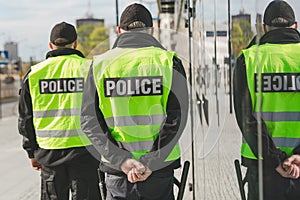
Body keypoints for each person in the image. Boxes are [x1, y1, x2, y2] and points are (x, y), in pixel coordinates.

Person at [80, 3, 188, 200]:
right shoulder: (168, 61)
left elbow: (89, 121)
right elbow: (177, 117)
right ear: (151, 30)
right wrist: (152, 162)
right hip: (159, 171)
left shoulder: (99, 65)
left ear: (120, 30)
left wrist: (122, 161)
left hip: (118, 172)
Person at [18, 22, 101, 200]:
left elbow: (25, 117)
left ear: (50, 45)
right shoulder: (90, 70)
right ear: (75, 44)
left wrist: (31, 152)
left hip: (49, 154)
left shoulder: (34, 74)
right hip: (85, 152)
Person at [233, 1, 300, 199]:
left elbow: (246, 118)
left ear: (264, 28)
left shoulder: (249, 59)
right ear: (295, 26)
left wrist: (274, 160)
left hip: (262, 167)